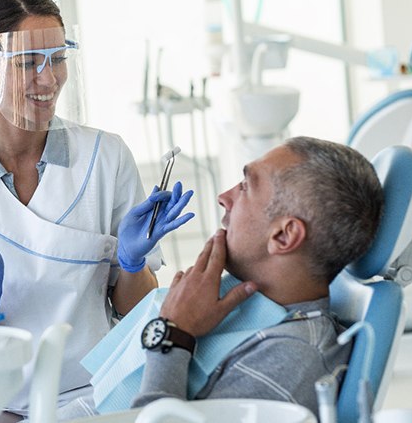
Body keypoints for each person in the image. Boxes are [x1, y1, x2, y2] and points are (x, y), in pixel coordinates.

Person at [0, 0, 194, 422]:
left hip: (94, 395)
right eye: (27, 63)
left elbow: (133, 309)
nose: (48, 78)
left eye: (57, 59)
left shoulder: (106, 156)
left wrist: (133, 264)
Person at [56, 136, 384, 419]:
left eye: (245, 187)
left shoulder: (291, 360)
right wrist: (132, 264)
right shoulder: (254, 307)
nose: (224, 197)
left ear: (284, 237)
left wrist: (173, 335)